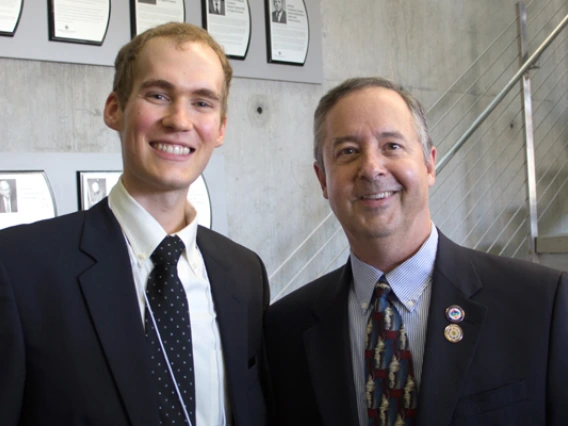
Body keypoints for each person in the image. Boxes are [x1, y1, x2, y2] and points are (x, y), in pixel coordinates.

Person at [0, 22, 269, 426]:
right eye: (158, 95)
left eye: (202, 102)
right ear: (115, 109)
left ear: (221, 129)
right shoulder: (19, 268)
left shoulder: (245, 275)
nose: (180, 120)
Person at [265, 77, 568, 426]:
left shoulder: (540, 304)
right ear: (323, 180)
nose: (372, 168)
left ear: (428, 165)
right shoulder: (284, 331)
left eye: (392, 146)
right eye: (347, 151)